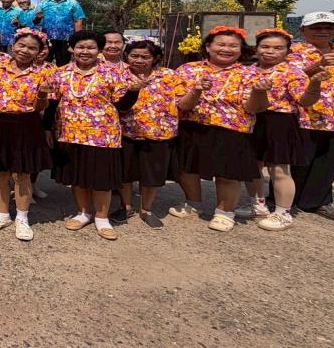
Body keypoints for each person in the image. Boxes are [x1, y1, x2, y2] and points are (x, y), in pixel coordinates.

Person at [173, 26, 271, 232]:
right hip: (193, 126)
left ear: (241, 49)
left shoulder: (249, 74)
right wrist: (196, 90)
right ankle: (193, 203)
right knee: (187, 168)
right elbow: (182, 105)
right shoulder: (188, 70)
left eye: (233, 46)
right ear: (208, 47)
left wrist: (259, 92)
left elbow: (255, 108)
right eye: (221, 44)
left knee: (228, 173)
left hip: (232, 129)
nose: (226, 49)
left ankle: (225, 212)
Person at [51, 30, 143, 241]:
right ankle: (83, 213)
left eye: (91, 47)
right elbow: (52, 102)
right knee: (77, 177)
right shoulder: (61, 73)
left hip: (103, 134)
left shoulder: (111, 73)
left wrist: (133, 91)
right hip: (69, 132)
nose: (85, 51)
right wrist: (49, 129)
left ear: (99, 50)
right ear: (72, 49)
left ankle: (102, 218)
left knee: (101, 178)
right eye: (80, 47)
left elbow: (122, 105)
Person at [286, 11, 334, 223]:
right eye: (316, 27)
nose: (323, 31)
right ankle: (285, 199)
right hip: (304, 115)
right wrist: (319, 64)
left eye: (329, 27)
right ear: (303, 30)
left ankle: (316, 201)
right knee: (299, 161)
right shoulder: (293, 52)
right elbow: (289, 78)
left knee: (329, 162)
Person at [0, 28, 54, 241]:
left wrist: (42, 94)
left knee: (22, 173)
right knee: (0, 171)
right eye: (21, 45)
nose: (25, 50)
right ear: (13, 45)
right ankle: (2, 214)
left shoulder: (43, 73)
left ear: (39, 51)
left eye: (32, 48)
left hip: (26, 124)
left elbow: (40, 107)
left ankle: (22, 217)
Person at [248, 28, 326, 231]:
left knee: (279, 169)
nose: (270, 51)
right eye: (265, 46)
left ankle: (283, 213)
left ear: (287, 51)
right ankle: (258, 205)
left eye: (278, 48)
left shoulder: (293, 73)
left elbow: (304, 100)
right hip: (252, 120)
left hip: (279, 122)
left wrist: (314, 84)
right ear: (256, 49)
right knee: (252, 166)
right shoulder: (249, 70)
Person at [116, 40, 184, 229]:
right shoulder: (118, 75)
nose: (139, 60)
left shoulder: (169, 75)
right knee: (125, 173)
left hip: (159, 133)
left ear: (156, 58)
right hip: (125, 132)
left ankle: (146, 209)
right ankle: (125, 206)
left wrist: (197, 90)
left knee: (152, 175)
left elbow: (181, 101)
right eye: (134, 56)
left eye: (145, 57)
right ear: (126, 56)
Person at [36, 0, 86, 66]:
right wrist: (37, 18)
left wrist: (77, 40)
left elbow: (78, 21)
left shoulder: (73, 3)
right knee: (44, 64)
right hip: (47, 40)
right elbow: (36, 23)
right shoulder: (43, 4)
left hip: (66, 40)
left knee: (64, 65)